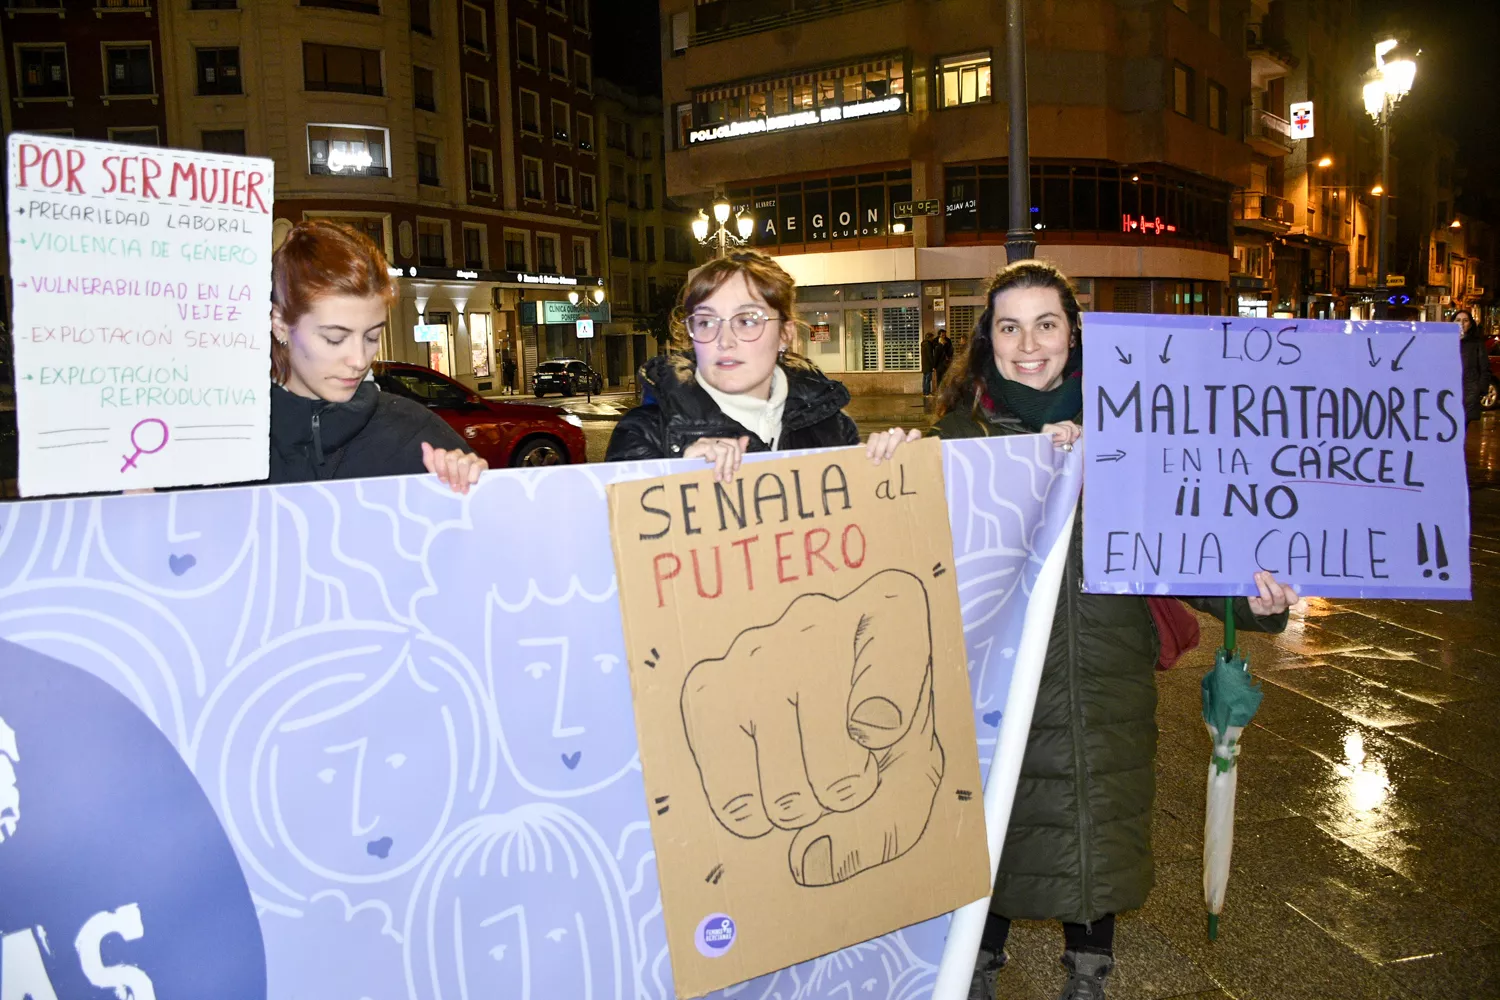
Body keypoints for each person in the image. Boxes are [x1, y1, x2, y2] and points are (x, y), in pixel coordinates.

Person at [931, 261, 1298, 1000]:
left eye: (1047, 324)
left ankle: (1090, 970)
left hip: (1106, 674)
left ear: (1073, 335)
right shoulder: (959, 438)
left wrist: (1255, 597)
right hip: (997, 685)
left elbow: (1183, 540)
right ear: (986, 340)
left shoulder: (1130, 427)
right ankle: (976, 963)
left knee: (1098, 819)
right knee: (995, 827)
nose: (1029, 343)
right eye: (1010, 326)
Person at [605, 249, 916, 474]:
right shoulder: (644, 435)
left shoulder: (832, 427)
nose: (723, 340)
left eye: (747, 320)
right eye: (706, 322)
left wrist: (891, 480)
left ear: (785, 333)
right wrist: (676, 484)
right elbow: (621, 553)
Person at [269, 221, 486, 493]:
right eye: (334, 338)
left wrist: (474, 492)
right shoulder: (225, 443)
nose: (360, 360)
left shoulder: (415, 433)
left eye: (372, 337)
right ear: (279, 323)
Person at [1458, 309, 1491, 424]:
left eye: (1465, 320)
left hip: (1469, 393)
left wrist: (1480, 389)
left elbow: (1485, 368)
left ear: (1470, 324)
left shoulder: (1476, 343)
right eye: (1458, 320)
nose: (1461, 323)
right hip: (1449, 392)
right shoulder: (1445, 342)